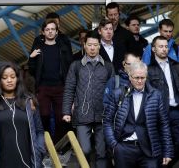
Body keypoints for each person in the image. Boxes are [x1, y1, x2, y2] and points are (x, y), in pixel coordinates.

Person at [103, 61, 173, 167]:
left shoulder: (156, 95)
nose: (140, 81)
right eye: (136, 78)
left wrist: (168, 151)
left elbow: (164, 124)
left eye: (142, 77)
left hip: (149, 149)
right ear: (130, 77)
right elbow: (107, 121)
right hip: (124, 148)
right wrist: (114, 145)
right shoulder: (118, 93)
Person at [0, 62, 45, 168]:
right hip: (0, 162)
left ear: (18, 79)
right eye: (5, 77)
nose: (9, 80)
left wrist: (39, 149)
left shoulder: (29, 102)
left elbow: (39, 131)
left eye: (13, 77)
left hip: (28, 162)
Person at [62, 31, 114, 168]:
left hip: (103, 115)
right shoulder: (76, 65)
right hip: (82, 114)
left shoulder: (108, 67)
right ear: (84, 45)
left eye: (95, 45)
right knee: (83, 150)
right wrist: (66, 111)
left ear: (99, 46)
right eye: (89, 45)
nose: (92, 48)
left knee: (102, 152)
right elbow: (69, 89)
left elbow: (114, 92)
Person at [28, 19, 72, 142]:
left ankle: (58, 145)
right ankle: (46, 144)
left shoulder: (62, 48)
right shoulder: (38, 48)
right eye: (47, 29)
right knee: (44, 116)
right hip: (43, 87)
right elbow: (32, 71)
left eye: (53, 29)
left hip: (60, 87)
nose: (50, 32)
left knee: (60, 118)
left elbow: (69, 68)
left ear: (57, 32)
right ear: (43, 32)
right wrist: (31, 58)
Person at [147, 35, 179, 165]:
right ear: (153, 49)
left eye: (166, 46)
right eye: (161, 46)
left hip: (176, 109)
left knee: (177, 141)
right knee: (164, 144)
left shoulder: (176, 66)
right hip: (160, 113)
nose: (164, 49)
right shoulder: (149, 69)